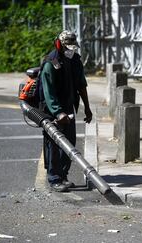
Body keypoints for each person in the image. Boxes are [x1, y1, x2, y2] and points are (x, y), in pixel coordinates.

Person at [41, 30, 92, 192]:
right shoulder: (51, 63)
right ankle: (54, 178)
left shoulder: (75, 60)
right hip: (52, 111)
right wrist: (58, 113)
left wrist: (87, 108)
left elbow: (81, 85)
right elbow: (49, 93)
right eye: (67, 47)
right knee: (54, 145)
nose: (71, 50)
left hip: (69, 108)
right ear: (59, 45)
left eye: (73, 47)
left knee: (69, 143)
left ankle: (63, 175)